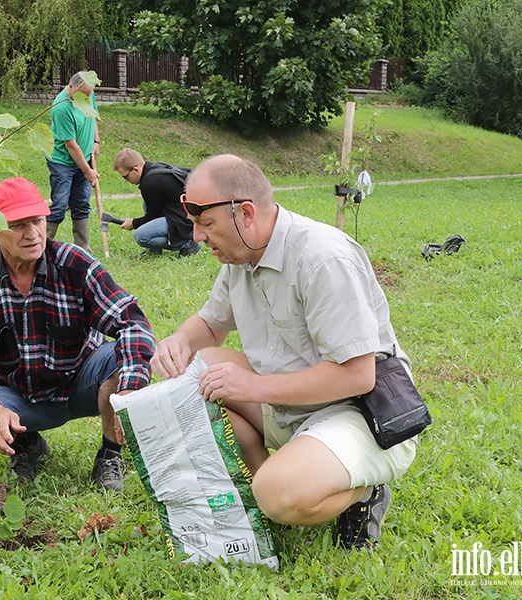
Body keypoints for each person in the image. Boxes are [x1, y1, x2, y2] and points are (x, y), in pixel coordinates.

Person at [150, 155, 417, 550]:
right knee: (194, 367)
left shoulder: (322, 257)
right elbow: (210, 325)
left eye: (206, 225)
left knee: (277, 493)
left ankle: (362, 492)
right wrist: (180, 341)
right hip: (291, 405)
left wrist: (253, 387)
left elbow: (358, 375)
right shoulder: (241, 254)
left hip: (360, 412)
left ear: (245, 213)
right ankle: (272, 478)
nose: (196, 237)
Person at [0, 177, 155, 491]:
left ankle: (110, 454)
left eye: (38, 221)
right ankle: (27, 443)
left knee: (120, 358)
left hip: (81, 383)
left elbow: (133, 323)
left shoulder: (75, 264)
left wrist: (129, 391)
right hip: (20, 394)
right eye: (18, 225)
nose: (32, 234)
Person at [46, 71, 101, 253]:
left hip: (85, 158)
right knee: (60, 205)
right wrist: (87, 171)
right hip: (63, 163)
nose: (88, 97)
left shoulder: (87, 94)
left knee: (82, 204)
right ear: (72, 88)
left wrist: (95, 141)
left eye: (89, 94)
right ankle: (42, 245)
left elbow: (92, 117)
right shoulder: (61, 108)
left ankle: (83, 248)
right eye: (84, 94)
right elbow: (71, 145)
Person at [111, 148, 200, 257]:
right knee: (146, 202)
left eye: (125, 176)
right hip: (183, 214)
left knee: (141, 236)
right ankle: (154, 249)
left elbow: (151, 217)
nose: (125, 180)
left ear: (136, 169)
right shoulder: (154, 169)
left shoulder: (150, 183)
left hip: (186, 222)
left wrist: (133, 223)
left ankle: (187, 243)